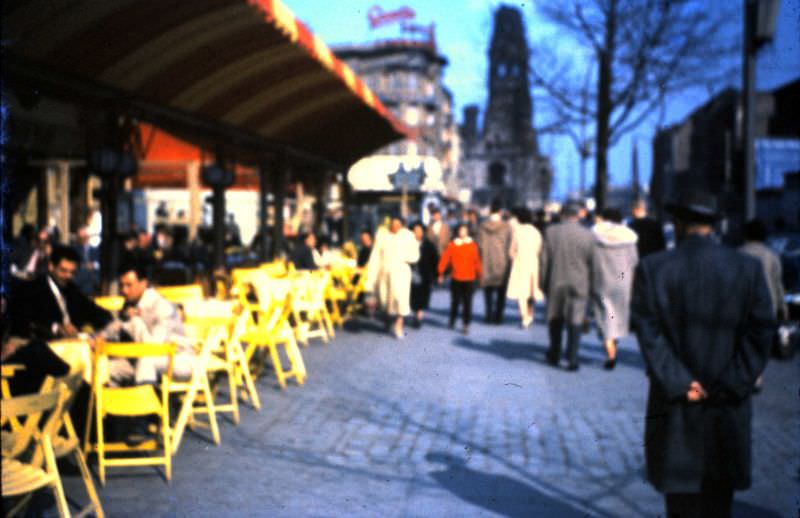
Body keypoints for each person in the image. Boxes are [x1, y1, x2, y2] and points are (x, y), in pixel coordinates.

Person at [631, 191, 774, 518]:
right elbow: (762, 330)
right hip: (725, 404)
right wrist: (732, 381)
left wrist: (681, 382)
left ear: (679, 224)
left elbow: (648, 333)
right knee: (719, 498)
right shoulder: (747, 268)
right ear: (714, 225)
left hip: (676, 403)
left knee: (679, 501)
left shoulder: (654, 268)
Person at [103, 264, 195, 385]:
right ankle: (110, 403)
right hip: (144, 358)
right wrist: (99, 337)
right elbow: (114, 329)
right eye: (122, 285)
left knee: (147, 362)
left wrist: (134, 321)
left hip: (179, 359)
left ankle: (145, 403)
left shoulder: (161, 306)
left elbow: (153, 347)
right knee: (107, 369)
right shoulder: (131, 304)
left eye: (129, 285)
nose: (123, 290)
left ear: (144, 284)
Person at [8, 245, 113, 339]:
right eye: (63, 270)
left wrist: (108, 324)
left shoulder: (72, 290)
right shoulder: (32, 289)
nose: (68, 276)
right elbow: (26, 320)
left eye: (72, 272)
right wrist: (56, 328)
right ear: (51, 266)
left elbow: (93, 310)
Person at [541, 200, 594, 371]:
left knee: (555, 318)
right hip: (579, 282)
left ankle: (555, 353)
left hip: (556, 280)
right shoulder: (588, 235)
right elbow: (593, 264)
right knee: (575, 319)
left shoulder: (550, 232)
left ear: (562, 214)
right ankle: (572, 358)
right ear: (578, 215)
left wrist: (543, 283)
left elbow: (544, 262)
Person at [591, 207, 638, 370]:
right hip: (623, 281)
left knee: (606, 315)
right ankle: (613, 348)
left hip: (602, 279)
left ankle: (610, 353)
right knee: (618, 315)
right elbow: (634, 260)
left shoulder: (596, 236)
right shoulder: (628, 238)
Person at [365, 216, 420, 339]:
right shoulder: (382, 236)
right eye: (393, 224)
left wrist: (404, 256)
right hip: (384, 273)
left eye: (397, 224)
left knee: (400, 300)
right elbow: (375, 257)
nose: (395, 226)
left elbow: (415, 255)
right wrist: (371, 277)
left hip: (401, 273)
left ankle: (399, 325)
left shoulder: (408, 236)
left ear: (401, 225)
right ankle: (388, 320)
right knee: (385, 301)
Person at [739, 219, 788, 322]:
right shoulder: (771, 255)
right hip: (768, 307)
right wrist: (783, 307)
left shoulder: (737, 253)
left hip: (742, 308)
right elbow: (777, 283)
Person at [437, 224, 482, 334]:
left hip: (469, 278)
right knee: (455, 301)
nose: (462, 232)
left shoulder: (472, 245)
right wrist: (440, 272)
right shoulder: (452, 245)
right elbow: (445, 259)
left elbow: (477, 261)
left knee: (468, 302)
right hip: (456, 277)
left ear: (467, 232)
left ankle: (466, 324)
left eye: (464, 230)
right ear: (457, 232)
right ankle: (452, 320)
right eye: (461, 230)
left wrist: (480, 275)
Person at [506, 208, 544, 329]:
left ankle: (524, 317)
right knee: (532, 290)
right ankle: (530, 313)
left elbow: (511, 250)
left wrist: (513, 258)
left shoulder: (517, 231)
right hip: (534, 263)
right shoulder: (535, 232)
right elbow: (540, 249)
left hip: (520, 263)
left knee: (522, 292)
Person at [478, 200, 512, 324]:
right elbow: (510, 245)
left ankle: (488, 315)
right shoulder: (506, 227)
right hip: (502, 263)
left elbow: (479, 244)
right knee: (501, 293)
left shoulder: (482, 226)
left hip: (486, 262)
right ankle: (498, 316)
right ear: (500, 211)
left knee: (488, 292)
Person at [409, 222, 439, 328]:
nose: (417, 232)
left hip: (425, 274)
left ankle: (419, 317)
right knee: (412, 296)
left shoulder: (428, 244)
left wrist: (437, 275)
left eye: (419, 230)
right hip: (411, 274)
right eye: (415, 230)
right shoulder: (408, 243)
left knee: (422, 296)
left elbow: (435, 260)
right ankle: (415, 314)